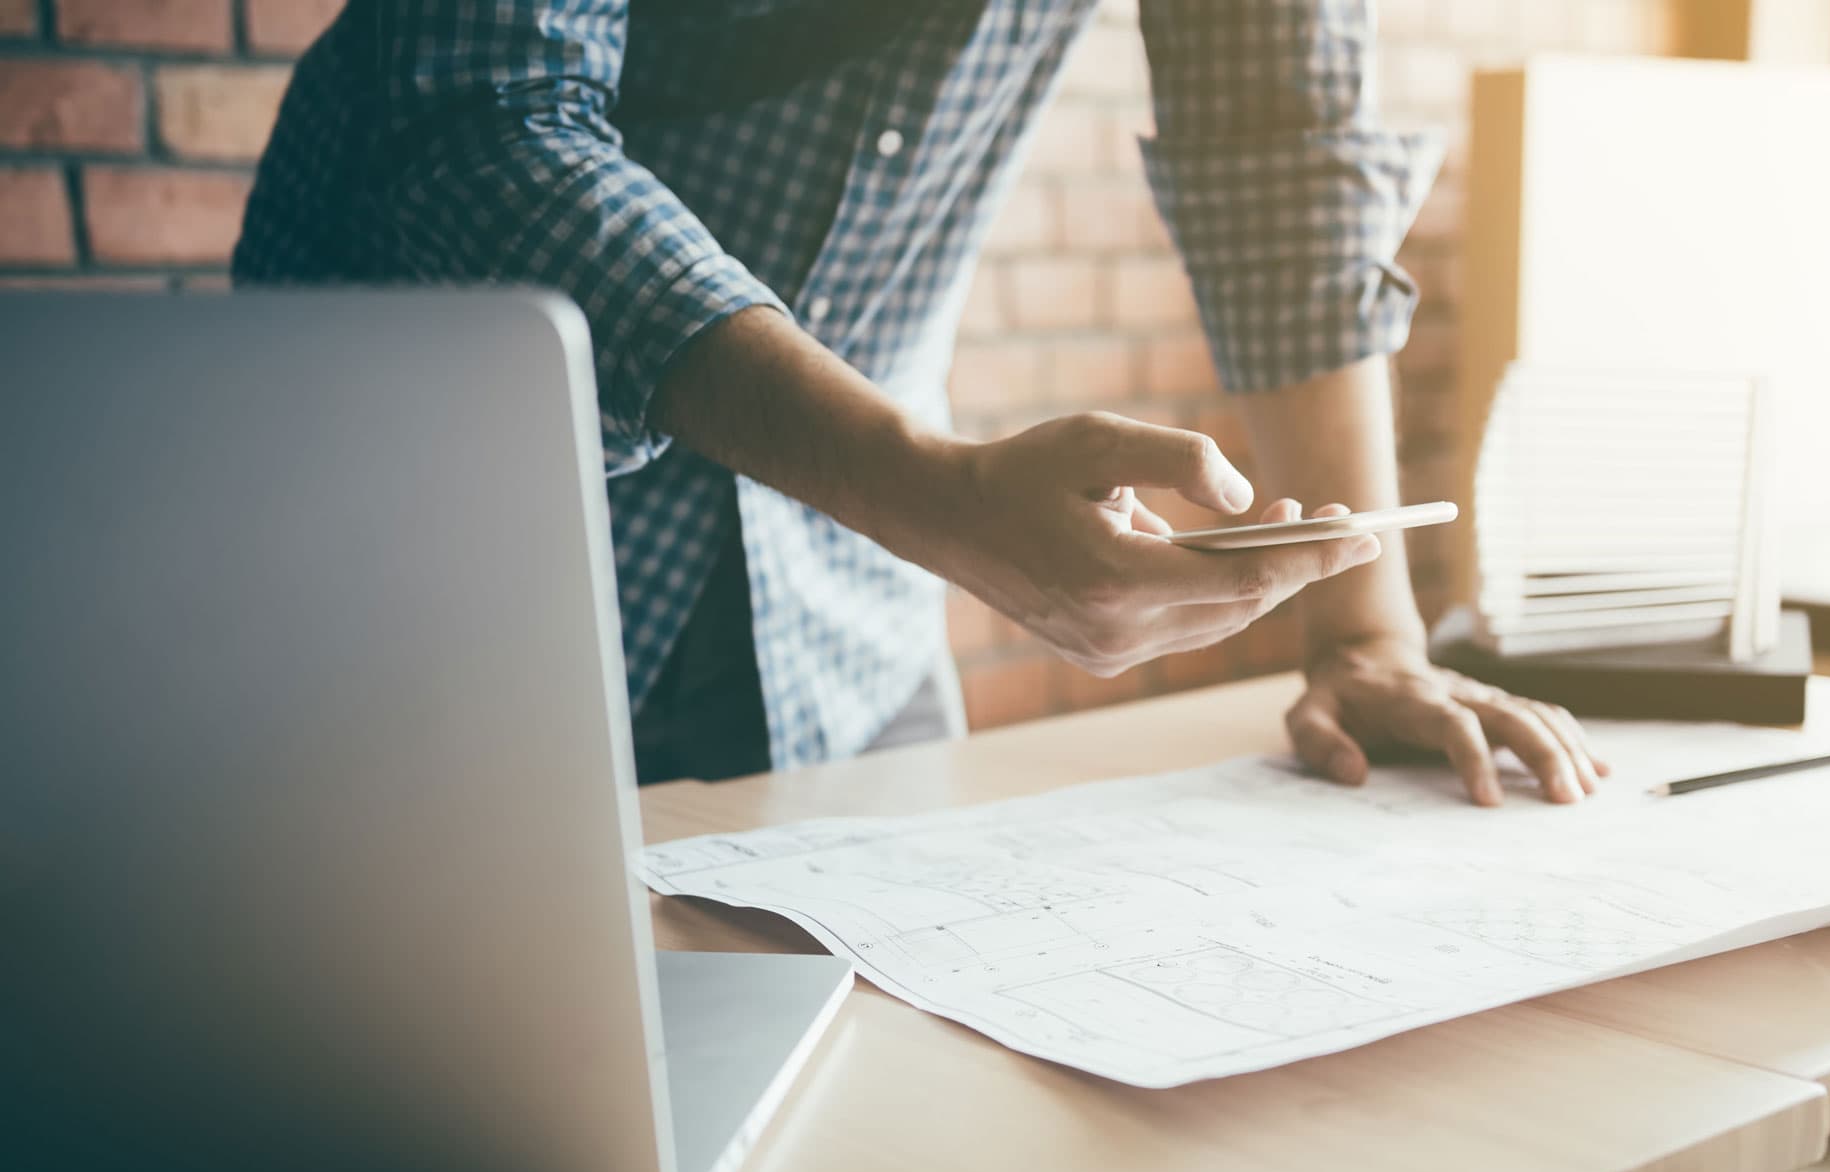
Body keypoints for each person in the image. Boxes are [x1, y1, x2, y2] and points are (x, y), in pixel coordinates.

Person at [234, 0, 1604, 803]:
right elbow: (483, 120)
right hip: (438, 538)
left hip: (857, 594)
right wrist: (926, 492)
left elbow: (1277, 132)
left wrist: (1364, 631)